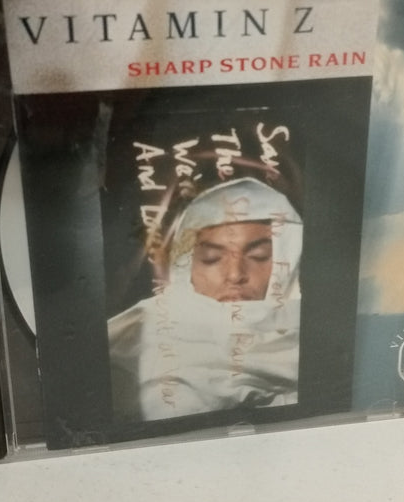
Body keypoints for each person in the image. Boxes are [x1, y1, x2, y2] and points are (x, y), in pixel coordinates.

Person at [109, 177, 302, 421]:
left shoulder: (315, 332)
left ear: (288, 256)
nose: (235, 275)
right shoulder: (145, 331)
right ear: (187, 265)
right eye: (212, 258)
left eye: (258, 255)